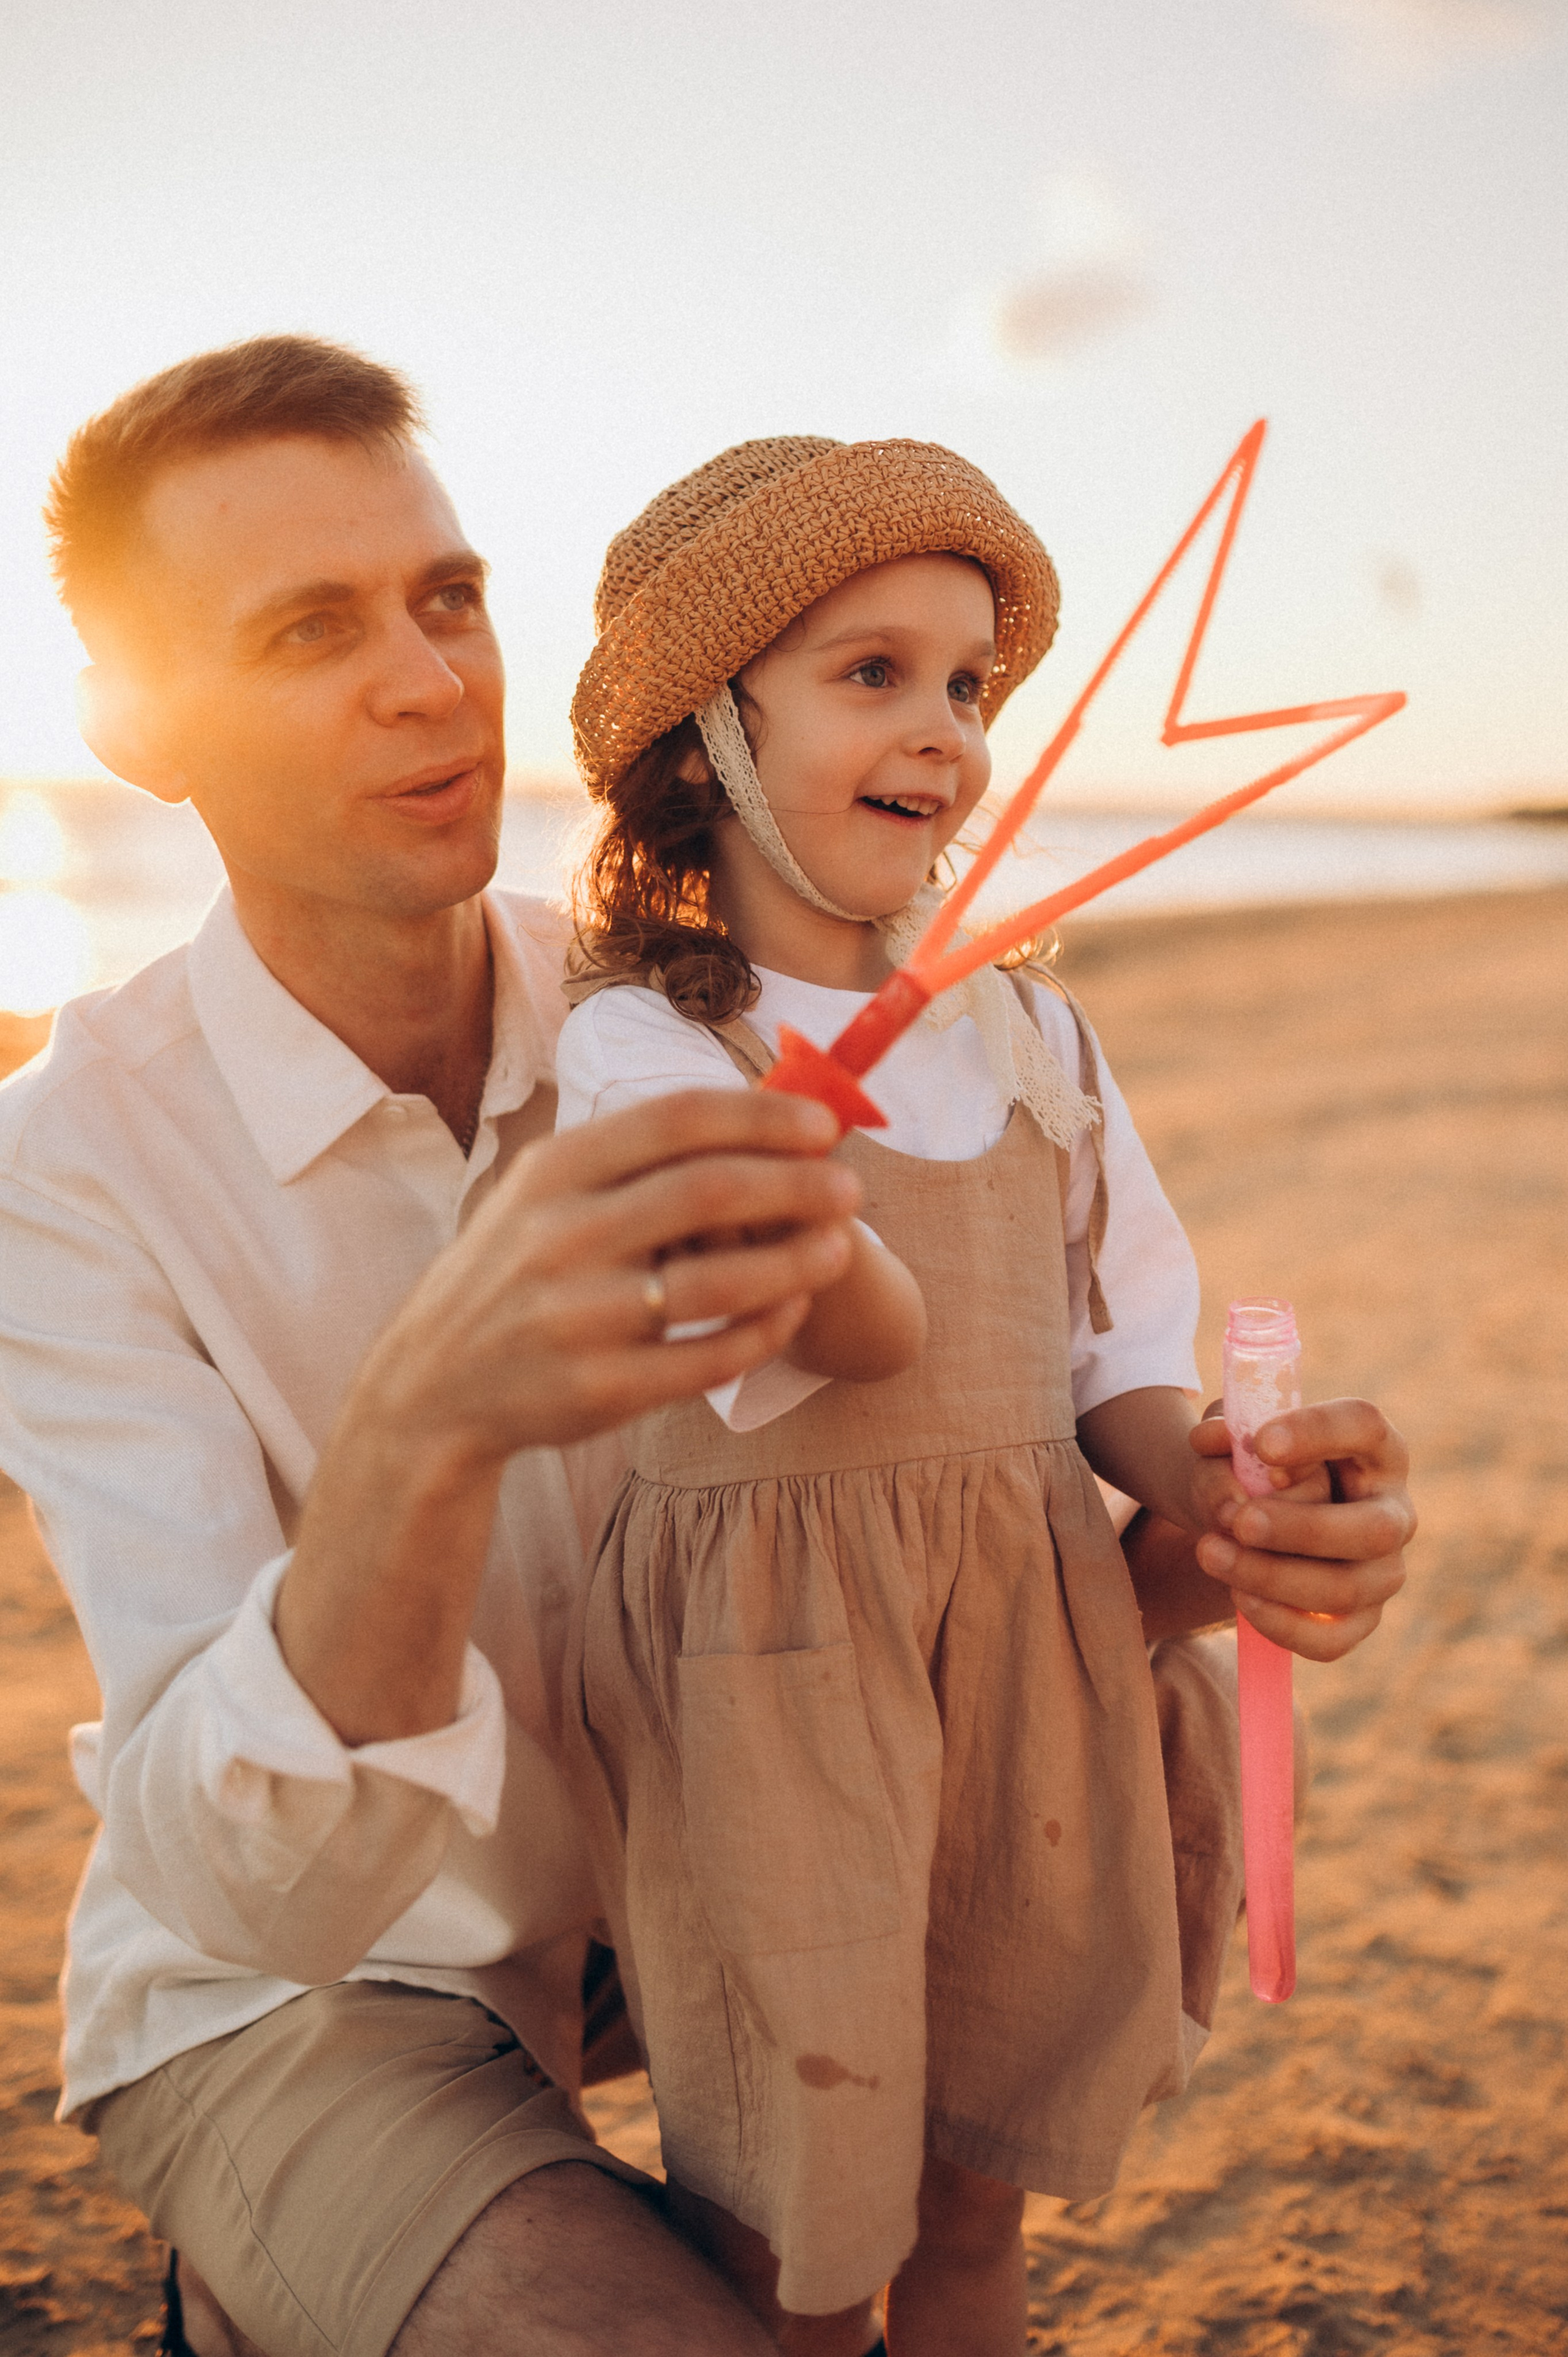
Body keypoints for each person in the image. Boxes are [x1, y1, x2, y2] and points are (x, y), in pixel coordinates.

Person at [0, 339, 1413, 2357]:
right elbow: (264, 1886)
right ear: (134, 730)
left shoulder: (674, 997)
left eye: (449, 598)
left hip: (723, 1823)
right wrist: (426, 1427)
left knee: (956, 2205)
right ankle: (285, 2256)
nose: (429, 681)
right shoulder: (66, 1165)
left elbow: (949, 1493)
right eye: (312, 629)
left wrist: (1226, 1544)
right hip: (338, 1963)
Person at [552, 434, 1401, 2357]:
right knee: (793, 2239)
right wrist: (814, 1144)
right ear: (712, 733)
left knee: (970, 2211)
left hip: (1029, 1665)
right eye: (873, 672)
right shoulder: (640, 1050)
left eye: (969, 684)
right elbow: (831, 1332)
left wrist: (1225, 1479)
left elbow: (1116, 1358)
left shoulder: (1033, 1036)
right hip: (779, 1689)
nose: (944, 726)